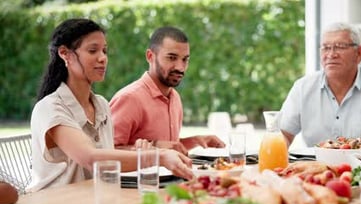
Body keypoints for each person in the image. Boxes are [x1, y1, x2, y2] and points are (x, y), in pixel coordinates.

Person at [30, 18, 194, 192]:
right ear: (65, 53)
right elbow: (90, 158)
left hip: (97, 200)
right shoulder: (49, 108)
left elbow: (108, 159)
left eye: (105, 51)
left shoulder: (101, 105)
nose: (103, 58)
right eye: (93, 50)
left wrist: (146, 151)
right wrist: (159, 156)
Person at [278, 22, 361, 153]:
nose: (331, 54)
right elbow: (281, 134)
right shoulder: (302, 88)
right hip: (316, 169)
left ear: (359, 53)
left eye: (340, 47)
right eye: (325, 47)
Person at [109, 26, 225, 155]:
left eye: (185, 59)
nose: (180, 68)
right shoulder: (129, 98)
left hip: (170, 175)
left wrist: (196, 141)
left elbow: (170, 147)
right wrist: (155, 147)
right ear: (150, 56)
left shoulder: (174, 97)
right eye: (171, 58)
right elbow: (106, 152)